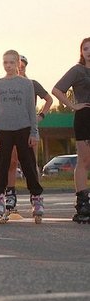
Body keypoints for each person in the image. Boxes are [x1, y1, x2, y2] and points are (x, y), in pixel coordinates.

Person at [0, 50, 44, 223]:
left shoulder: (27, 84)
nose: (8, 66)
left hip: (23, 128)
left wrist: (33, 132)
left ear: (18, 64)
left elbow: (31, 109)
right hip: (4, 130)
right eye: (5, 62)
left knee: (28, 164)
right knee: (3, 165)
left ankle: (36, 198)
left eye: (11, 63)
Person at [4, 54, 54, 214]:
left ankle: (35, 196)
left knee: (31, 164)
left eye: (22, 65)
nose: (20, 68)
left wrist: (41, 116)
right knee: (12, 161)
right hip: (11, 127)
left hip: (29, 127)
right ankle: (10, 194)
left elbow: (49, 99)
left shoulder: (31, 84)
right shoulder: (7, 85)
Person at [51, 37, 90, 223]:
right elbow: (57, 90)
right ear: (81, 52)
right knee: (84, 159)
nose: (89, 51)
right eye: (85, 49)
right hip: (84, 116)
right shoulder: (77, 70)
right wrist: (73, 106)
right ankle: (83, 202)